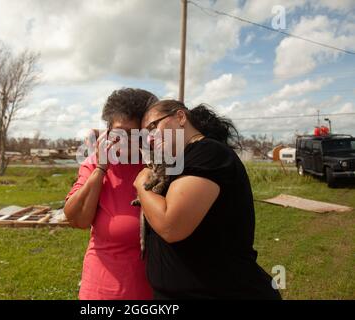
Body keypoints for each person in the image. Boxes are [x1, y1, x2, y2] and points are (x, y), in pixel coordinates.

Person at [134, 99, 282, 299]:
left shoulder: (208, 153)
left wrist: (141, 185)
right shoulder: (180, 162)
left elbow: (171, 225)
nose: (150, 138)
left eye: (153, 127)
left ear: (180, 117)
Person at [64, 88, 158, 300]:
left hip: (151, 290)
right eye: (119, 133)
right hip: (102, 290)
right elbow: (76, 219)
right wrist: (100, 169)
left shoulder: (158, 167)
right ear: (108, 130)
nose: (126, 141)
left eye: (135, 135)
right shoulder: (94, 165)